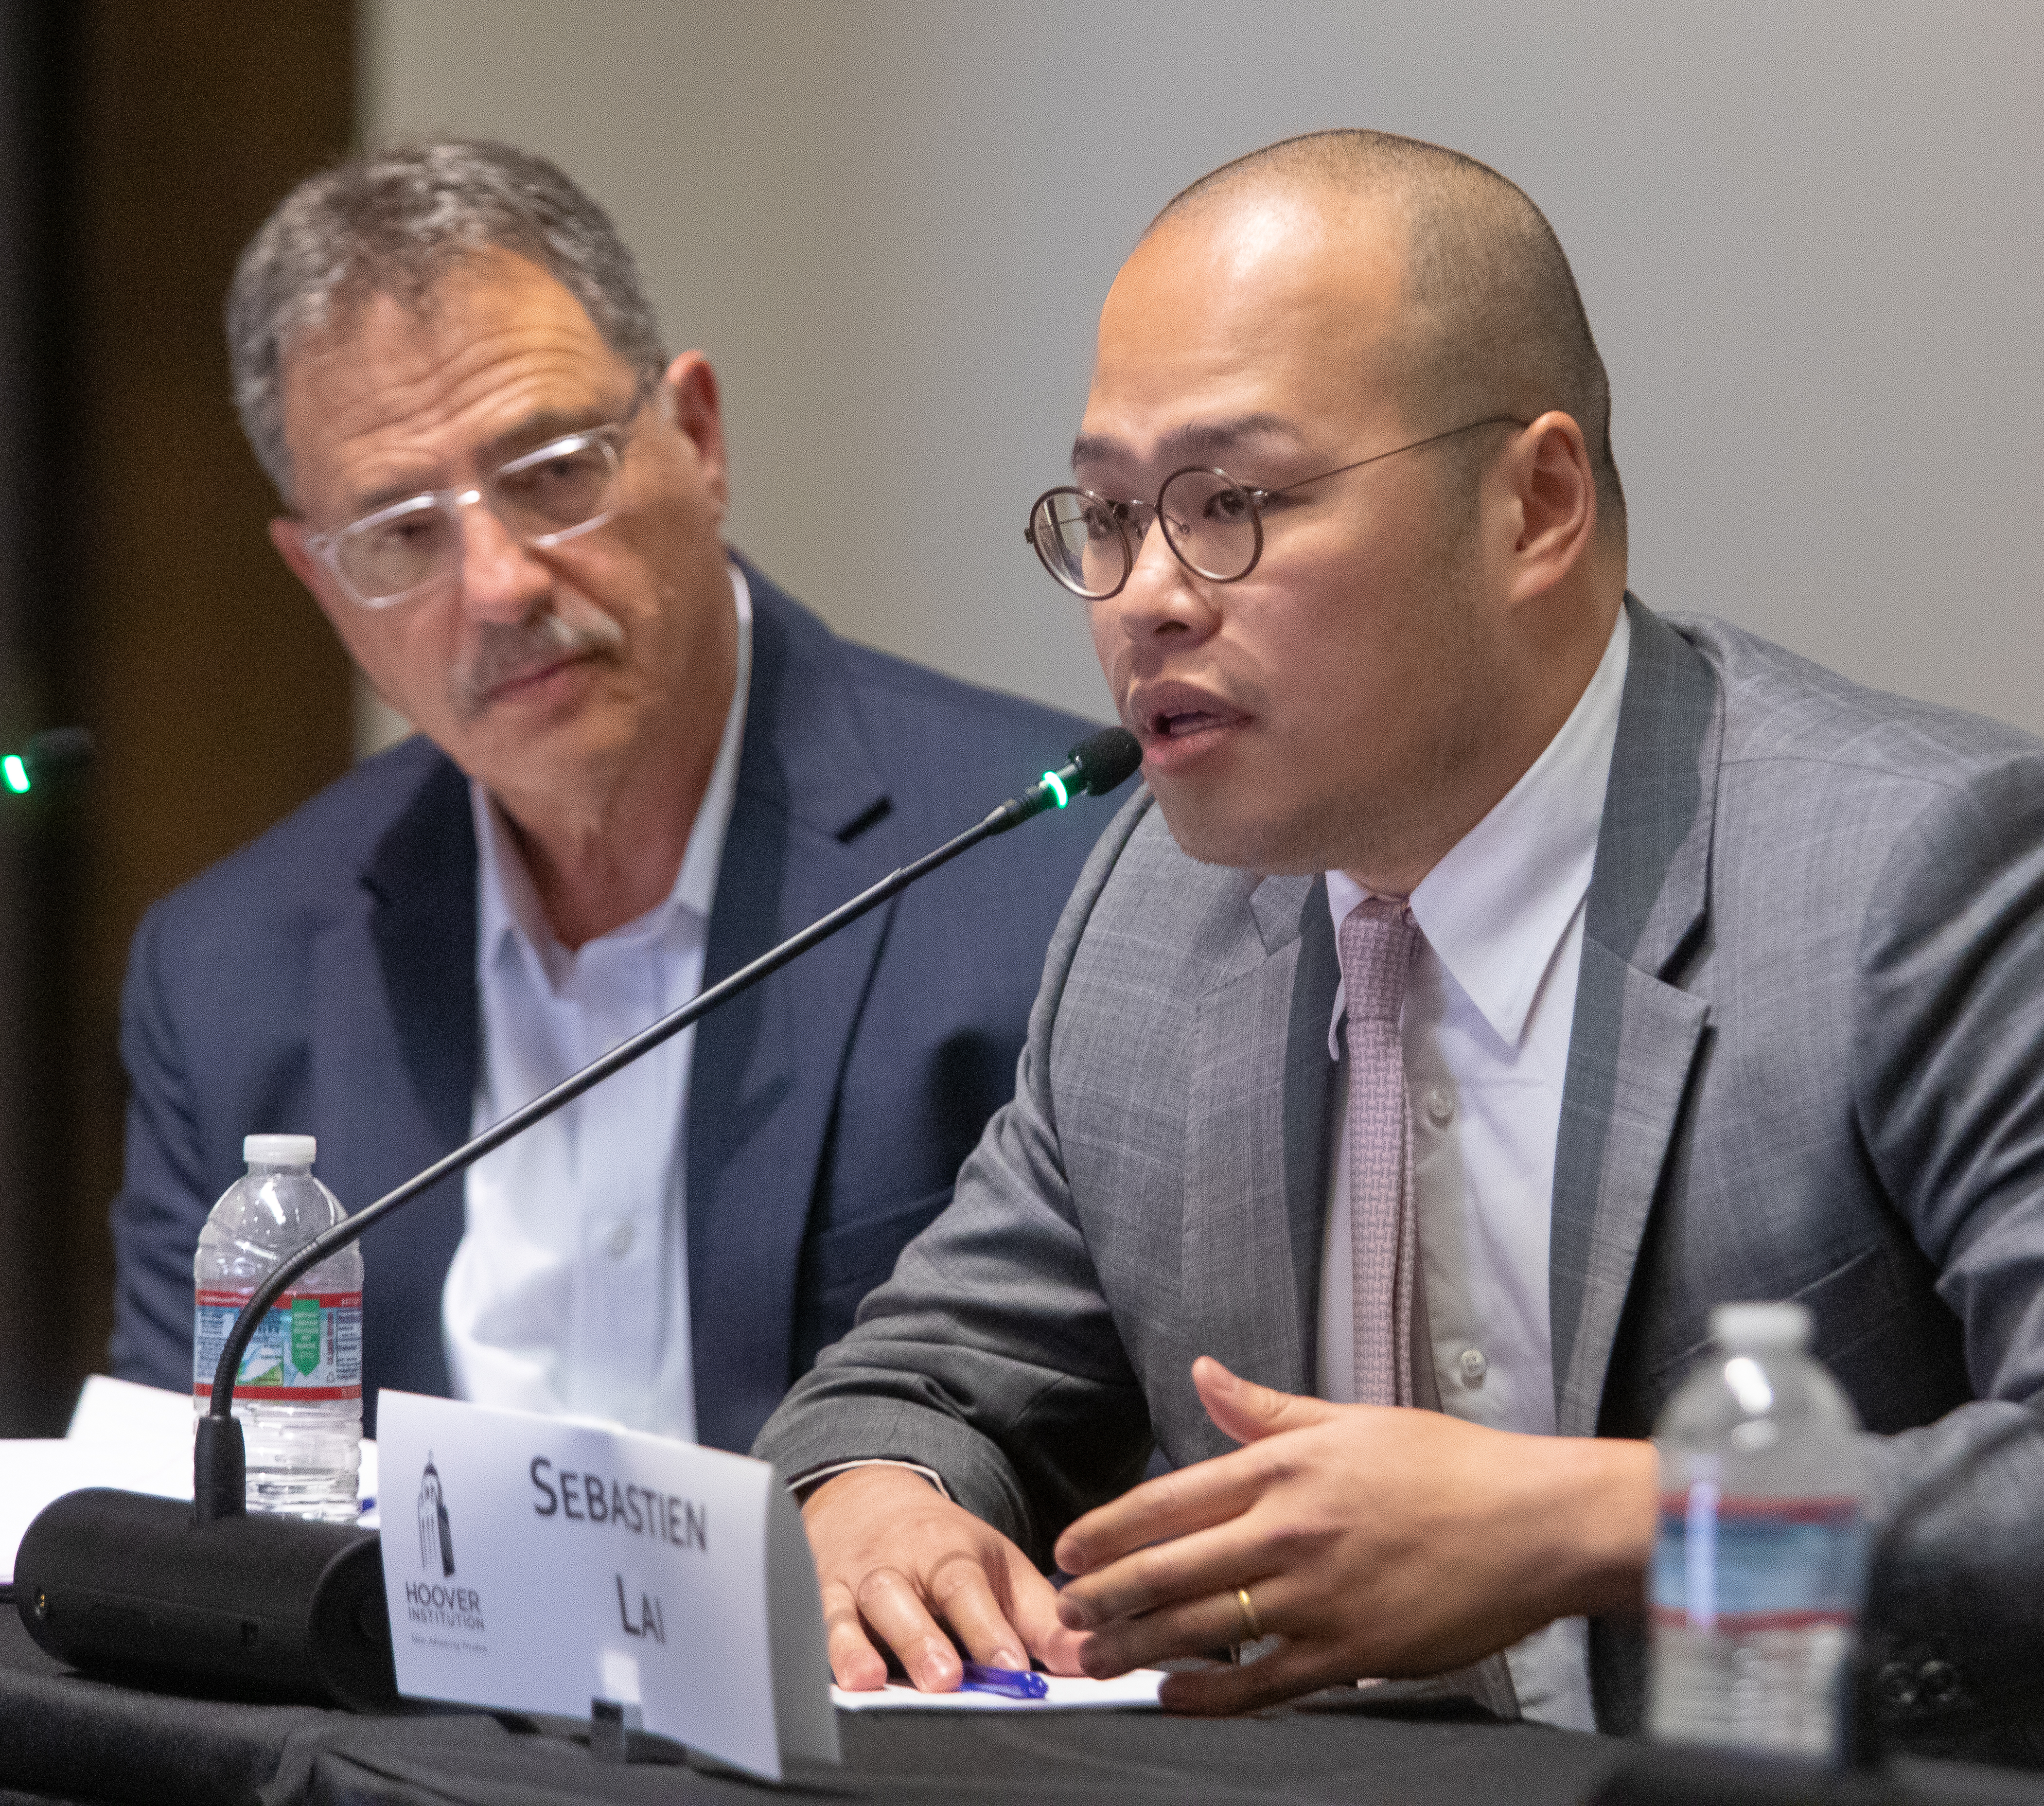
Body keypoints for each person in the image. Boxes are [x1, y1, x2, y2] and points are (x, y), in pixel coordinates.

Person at [757, 129, 2044, 1743]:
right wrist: (875, 1506)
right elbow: (929, 1374)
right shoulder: (1157, 915)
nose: (1144, 593)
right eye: (1101, 513)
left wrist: (1587, 1524)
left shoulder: (1911, 875)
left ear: (1536, 505)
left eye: (1232, 501)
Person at [106, 140, 1108, 1453]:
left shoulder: (1059, 871)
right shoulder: (231, 971)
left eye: (553, 472)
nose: (500, 584)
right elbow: (182, 1515)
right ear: (319, 580)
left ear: (695, 437)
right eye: (402, 532)